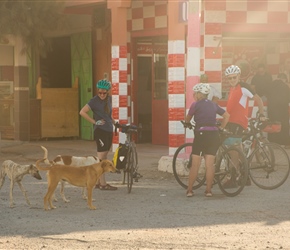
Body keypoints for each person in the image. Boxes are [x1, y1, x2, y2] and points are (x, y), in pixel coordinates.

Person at [185, 83, 230, 197]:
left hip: (201, 134)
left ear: (200, 94)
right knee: (210, 165)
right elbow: (227, 116)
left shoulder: (195, 105)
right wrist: (221, 128)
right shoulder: (214, 105)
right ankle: (208, 191)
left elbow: (188, 118)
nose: (194, 95)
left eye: (195, 93)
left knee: (195, 164)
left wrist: (187, 123)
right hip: (213, 134)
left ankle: (190, 190)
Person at [225, 65, 266, 187]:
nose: (232, 80)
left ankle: (233, 179)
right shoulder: (232, 89)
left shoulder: (243, 87)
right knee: (239, 150)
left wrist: (262, 114)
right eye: (229, 78)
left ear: (239, 76)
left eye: (234, 77)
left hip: (238, 123)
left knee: (234, 150)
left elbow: (258, 99)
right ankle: (245, 177)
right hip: (231, 122)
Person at [79, 77, 117, 190]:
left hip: (109, 129)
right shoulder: (94, 101)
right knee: (101, 158)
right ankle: (102, 184)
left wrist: (115, 122)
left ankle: (98, 182)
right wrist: (95, 122)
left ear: (107, 91)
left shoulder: (109, 100)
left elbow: (108, 115)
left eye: (104, 93)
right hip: (100, 131)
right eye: (99, 92)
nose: (101, 94)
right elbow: (82, 112)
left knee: (104, 156)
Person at [267, 73, 290, 147]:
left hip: (272, 110)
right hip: (282, 110)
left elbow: (267, 95)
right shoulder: (285, 86)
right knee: (283, 125)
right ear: (284, 79)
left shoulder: (271, 85)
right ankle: (285, 143)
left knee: (273, 124)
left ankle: (273, 142)